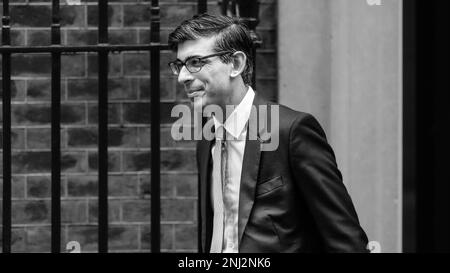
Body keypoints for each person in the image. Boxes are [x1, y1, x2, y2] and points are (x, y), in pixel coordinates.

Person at [168, 13, 369, 253]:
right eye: (179, 65)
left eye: (195, 62)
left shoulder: (291, 131)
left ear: (236, 64)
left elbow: (346, 239)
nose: (183, 77)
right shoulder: (206, 140)